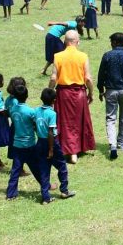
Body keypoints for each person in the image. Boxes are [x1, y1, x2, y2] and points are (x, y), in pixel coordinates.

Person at [49, 30, 96, 163]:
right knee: (78, 121)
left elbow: (53, 78)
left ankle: (69, 150)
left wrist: (49, 92)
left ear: (65, 41)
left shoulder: (58, 56)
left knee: (65, 122)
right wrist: (91, 93)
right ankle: (75, 150)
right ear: (77, 41)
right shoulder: (83, 56)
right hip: (79, 93)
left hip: (63, 93)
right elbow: (88, 78)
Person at [97, 32, 123, 161]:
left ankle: (112, 144)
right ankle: (121, 142)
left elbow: (101, 75)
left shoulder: (107, 56)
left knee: (111, 118)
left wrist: (100, 89)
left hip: (110, 90)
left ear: (115, 42)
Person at [5, 78, 43, 199]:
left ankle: (11, 194)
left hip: (17, 145)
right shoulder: (30, 111)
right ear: (27, 96)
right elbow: (35, 125)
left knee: (15, 170)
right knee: (36, 168)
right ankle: (46, 185)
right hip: (29, 145)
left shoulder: (13, 109)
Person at [34, 87, 74, 202]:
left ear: (41, 98)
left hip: (40, 142)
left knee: (44, 169)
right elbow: (51, 132)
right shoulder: (52, 114)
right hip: (51, 143)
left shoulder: (36, 111)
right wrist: (51, 149)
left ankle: (45, 197)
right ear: (54, 101)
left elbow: (34, 124)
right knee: (62, 165)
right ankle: (64, 191)